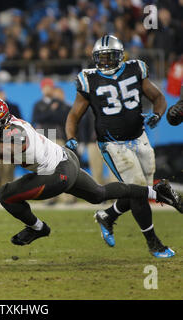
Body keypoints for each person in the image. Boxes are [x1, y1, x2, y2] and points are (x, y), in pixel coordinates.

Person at [0, 96, 183, 258]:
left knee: (5, 195)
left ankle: (38, 228)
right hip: (64, 160)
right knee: (98, 194)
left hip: (57, 172)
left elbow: (7, 149)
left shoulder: (15, 130)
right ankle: (156, 192)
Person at [65, 35, 169, 250]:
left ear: (120, 56)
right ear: (94, 58)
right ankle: (154, 244)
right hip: (112, 143)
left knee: (142, 190)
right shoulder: (88, 79)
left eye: (110, 57)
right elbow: (74, 115)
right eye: (101, 58)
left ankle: (107, 215)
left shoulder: (136, 69)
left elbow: (158, 97)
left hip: (139, 137)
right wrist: (71, 138)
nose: (105, 62)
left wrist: (157, 115)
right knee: (139, 190)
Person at [0, 84, 21, 187]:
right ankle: (5, 189)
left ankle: (8, 190)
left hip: (10, 142)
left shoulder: (13, 107)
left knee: (9, 168)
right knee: (0, 168)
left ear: (3, 94)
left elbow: (19, 124)